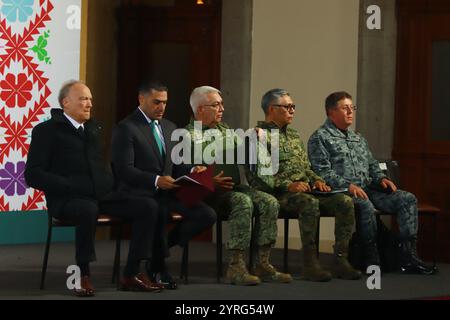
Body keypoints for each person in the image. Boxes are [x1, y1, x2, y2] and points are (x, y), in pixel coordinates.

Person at [25, 80, 163, 297]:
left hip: (101, 195)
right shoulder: (46, 131)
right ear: (65, 103)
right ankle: (83, 274)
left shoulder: (93, 128)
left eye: (90, 99)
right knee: (88, 210)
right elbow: (33, 175)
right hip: (67, 200)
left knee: (147, 206)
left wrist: (114, 185)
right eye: (83, 99)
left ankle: (132, 273)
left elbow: (102, 166)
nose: (89, 104)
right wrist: (69, 184)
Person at [307, 91, 434, 275]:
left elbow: (373, 164)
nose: (351, 112)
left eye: (352, 107)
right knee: (365, 205)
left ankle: (408, 256)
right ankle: (371, 257)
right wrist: (348, 186)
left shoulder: (358, 138)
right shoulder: (320, 137)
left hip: (368, 188)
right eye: (345, 108)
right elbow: (321, 171)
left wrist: (382, 178)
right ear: (330, 112)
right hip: (341, 191)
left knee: (407, 199)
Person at [111, 80, 216, 289]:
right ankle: (158, 267)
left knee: (207, 215)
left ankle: (158, 251)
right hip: (139, 192)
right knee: (155, 210)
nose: (161, 107)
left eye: (165, 103)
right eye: (156, 102)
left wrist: (192, 170)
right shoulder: (126, 128)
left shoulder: (169, 127)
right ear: (141, 99)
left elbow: (177, 165)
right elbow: (124, 170)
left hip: (168, 192)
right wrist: (156, 180)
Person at [185, 86, 292, 285]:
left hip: (232, 189)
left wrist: (253, 136)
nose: (222, 109)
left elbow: (243, 149)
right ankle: (236, 266)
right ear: (200, 109)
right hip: (210, 195)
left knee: (269, 202)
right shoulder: (188, 136)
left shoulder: (224, 130)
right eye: (216, 105)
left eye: (222, 104)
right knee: (242, 201)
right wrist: (208, 179)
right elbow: (186, 174)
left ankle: (262, 262)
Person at [252, 88, 361, 282]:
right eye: (287, 107)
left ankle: (340, 260)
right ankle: (310, 264)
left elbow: (306, 167)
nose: (292, 110)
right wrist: (288, 185)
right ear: (271, 109)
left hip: (305, 190)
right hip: (279, 195)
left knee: (344, 201)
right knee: (309, 203)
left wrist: (316, 179)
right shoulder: (257, 137)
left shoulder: (293, 135)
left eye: (293, 106)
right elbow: (259, 177)